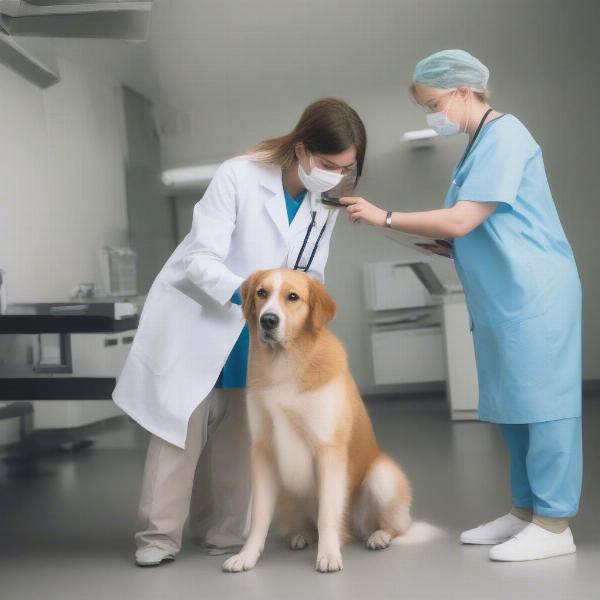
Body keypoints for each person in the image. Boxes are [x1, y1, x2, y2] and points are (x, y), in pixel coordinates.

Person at [340, 49, 582, 562]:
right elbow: (478, 228)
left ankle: (556, 525)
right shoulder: (479, 144)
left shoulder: (507, 135)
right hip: (503, 294)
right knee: (514, 407)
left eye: (433, 103)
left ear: (462, 91)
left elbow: (461, 219)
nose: (432, 114)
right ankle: (524, 513)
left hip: (534, 291)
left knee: (545, 409)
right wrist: (443, 243)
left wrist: (387, 218)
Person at [112, 97, 367, 566]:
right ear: (303, 148)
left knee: (239, 430)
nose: (333, 175)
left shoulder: (321, 206)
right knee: (181, 431)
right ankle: (157, 537)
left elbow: (311, 277)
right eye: (328, 164)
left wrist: (288, 314)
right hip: (204, 314)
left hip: (262, 331)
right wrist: (251, 296)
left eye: (344, 169)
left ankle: (224, 532)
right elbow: (200, 259)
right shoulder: (238, 175)